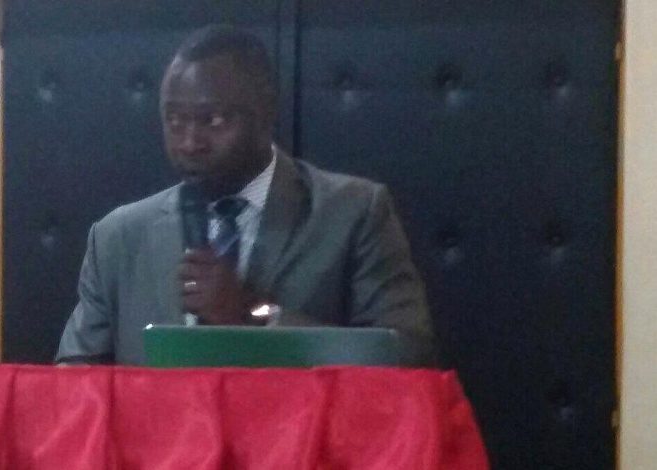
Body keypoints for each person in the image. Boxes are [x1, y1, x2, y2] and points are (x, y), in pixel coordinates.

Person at [56, 25, 435, 366]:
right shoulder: (117, 239)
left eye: (213, 120)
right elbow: (74, 385)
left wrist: (253, 313)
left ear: (266, 110)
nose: (189, 142)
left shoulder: (353, 213)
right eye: (174, 120)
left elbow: (408, 356)